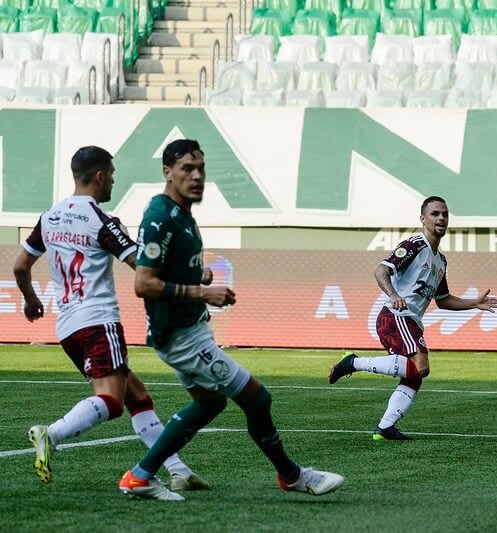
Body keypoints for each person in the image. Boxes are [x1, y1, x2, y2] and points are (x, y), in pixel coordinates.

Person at [118, 139, 343, 501]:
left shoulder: (181, 213)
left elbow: (171, 268)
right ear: (167, 172)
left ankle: (141, 475)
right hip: (182, 338)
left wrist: (199, 275)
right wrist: (201, 293)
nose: (197, 176)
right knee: (258, 400)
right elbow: (143, 283)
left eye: (201, 168)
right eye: (187, 169)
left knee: (210, 402)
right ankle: (292, 475)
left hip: (186, 331)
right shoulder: (160, 215)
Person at [13, 146, 206, 491]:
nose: (113, 181)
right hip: (99, 320)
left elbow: (20, 265)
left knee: (138, 397)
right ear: (100, 176)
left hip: (68, 327)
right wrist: (195, 277)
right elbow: (141, 265)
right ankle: (51, 434)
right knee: (112, 401)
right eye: (112, 175)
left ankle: (178, 470)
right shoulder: (101, 221)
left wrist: (30, 300)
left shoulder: (50, 217)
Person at [327, 196, 497, 440]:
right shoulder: (414, 245)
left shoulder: (440, 261)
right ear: (423, 219)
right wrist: (393, 294)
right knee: (421, 367)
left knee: (414, 375)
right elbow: (381, 270)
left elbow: (442, 300)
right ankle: (353, 362)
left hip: (412, 321)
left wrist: (474, 303)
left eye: (445, 214)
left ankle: (385, 427)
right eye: (435, 214)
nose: (441, 218)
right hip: (396, 315)